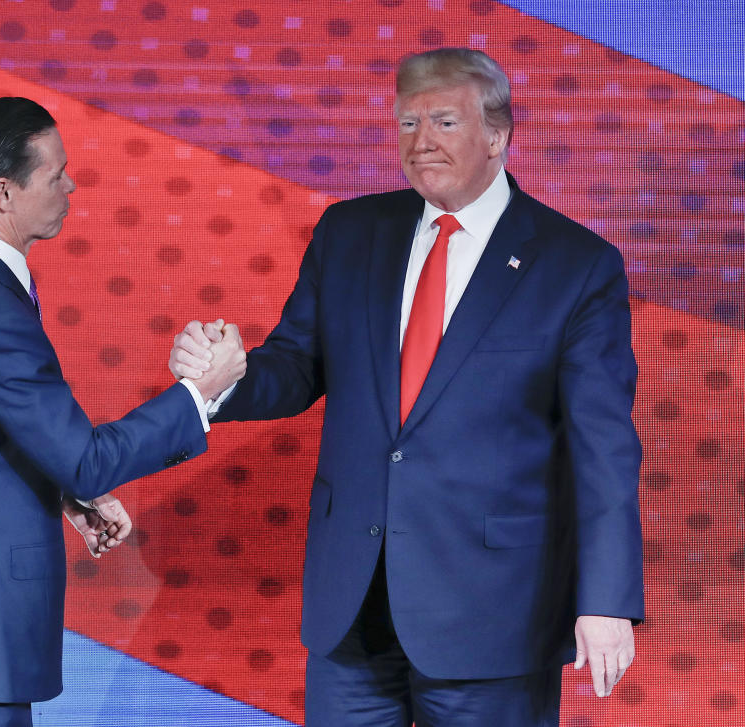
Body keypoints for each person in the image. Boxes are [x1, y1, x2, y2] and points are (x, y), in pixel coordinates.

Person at [170, 48, 643, 726]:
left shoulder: (576, 266)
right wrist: (227, 377)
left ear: (498, 136)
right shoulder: (351, 231)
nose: (420, 142)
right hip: (352, 609)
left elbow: (604, 447)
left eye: (443, 122)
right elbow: (297, 365)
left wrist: (606, 599)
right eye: (407, 123)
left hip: (493, 616)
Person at [0, 96, 246, 727]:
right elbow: (89, 461)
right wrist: (201, 392)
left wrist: (59, 492)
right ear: (3, 192)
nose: (71, 185)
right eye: (56, 173)